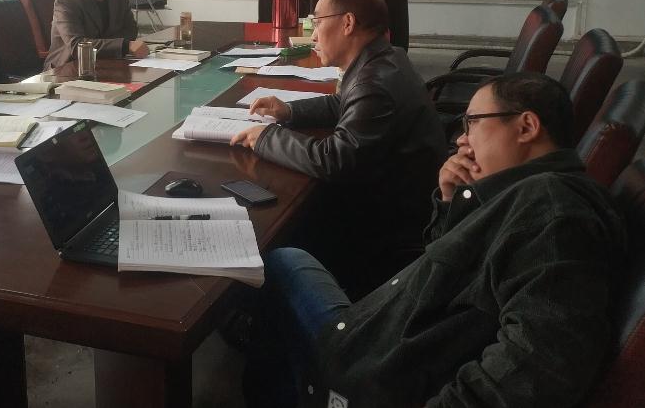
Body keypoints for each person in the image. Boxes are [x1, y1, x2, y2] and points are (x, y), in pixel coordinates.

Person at [243, 72, 625, 408]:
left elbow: (544, 363)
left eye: (473, 122)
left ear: (526, 127)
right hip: (382, 338)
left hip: (371, 375)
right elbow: (455, 272)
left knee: (279, 263)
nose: (461, 139)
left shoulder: (554, 214)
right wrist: (450, 200)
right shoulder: (520, 195)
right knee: (289, 258)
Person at [230, 0, 445, 294]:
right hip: (394, 200)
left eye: (318, 22)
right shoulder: (384, 59)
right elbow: (343, 103)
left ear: (347, 23)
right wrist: (288, 111)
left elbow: (334, 159)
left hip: (384, 224)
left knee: (272, 222)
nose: (313, 35)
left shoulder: (375, 84)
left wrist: (265, 138)